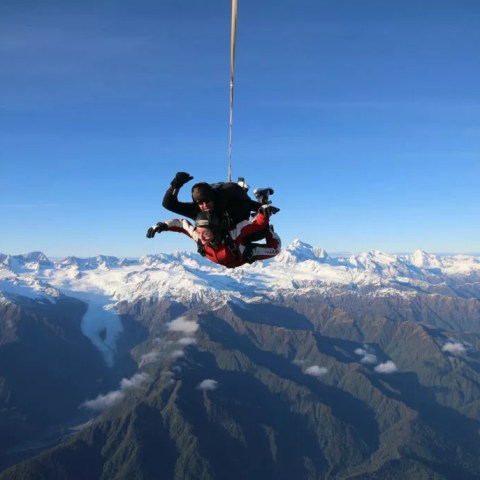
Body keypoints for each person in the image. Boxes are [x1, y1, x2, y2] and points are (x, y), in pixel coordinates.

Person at [146, 206, 281, 269]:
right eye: (199, 232)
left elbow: (254, 223)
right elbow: (181, 224)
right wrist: (162, 226)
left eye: (205, 233)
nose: (201, 237)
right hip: (230, 260)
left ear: (215, 230)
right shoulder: (198, 236)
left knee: (275, 249)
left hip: (244, 255)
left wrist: (264, 213)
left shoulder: (232, 234)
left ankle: (269, 229)